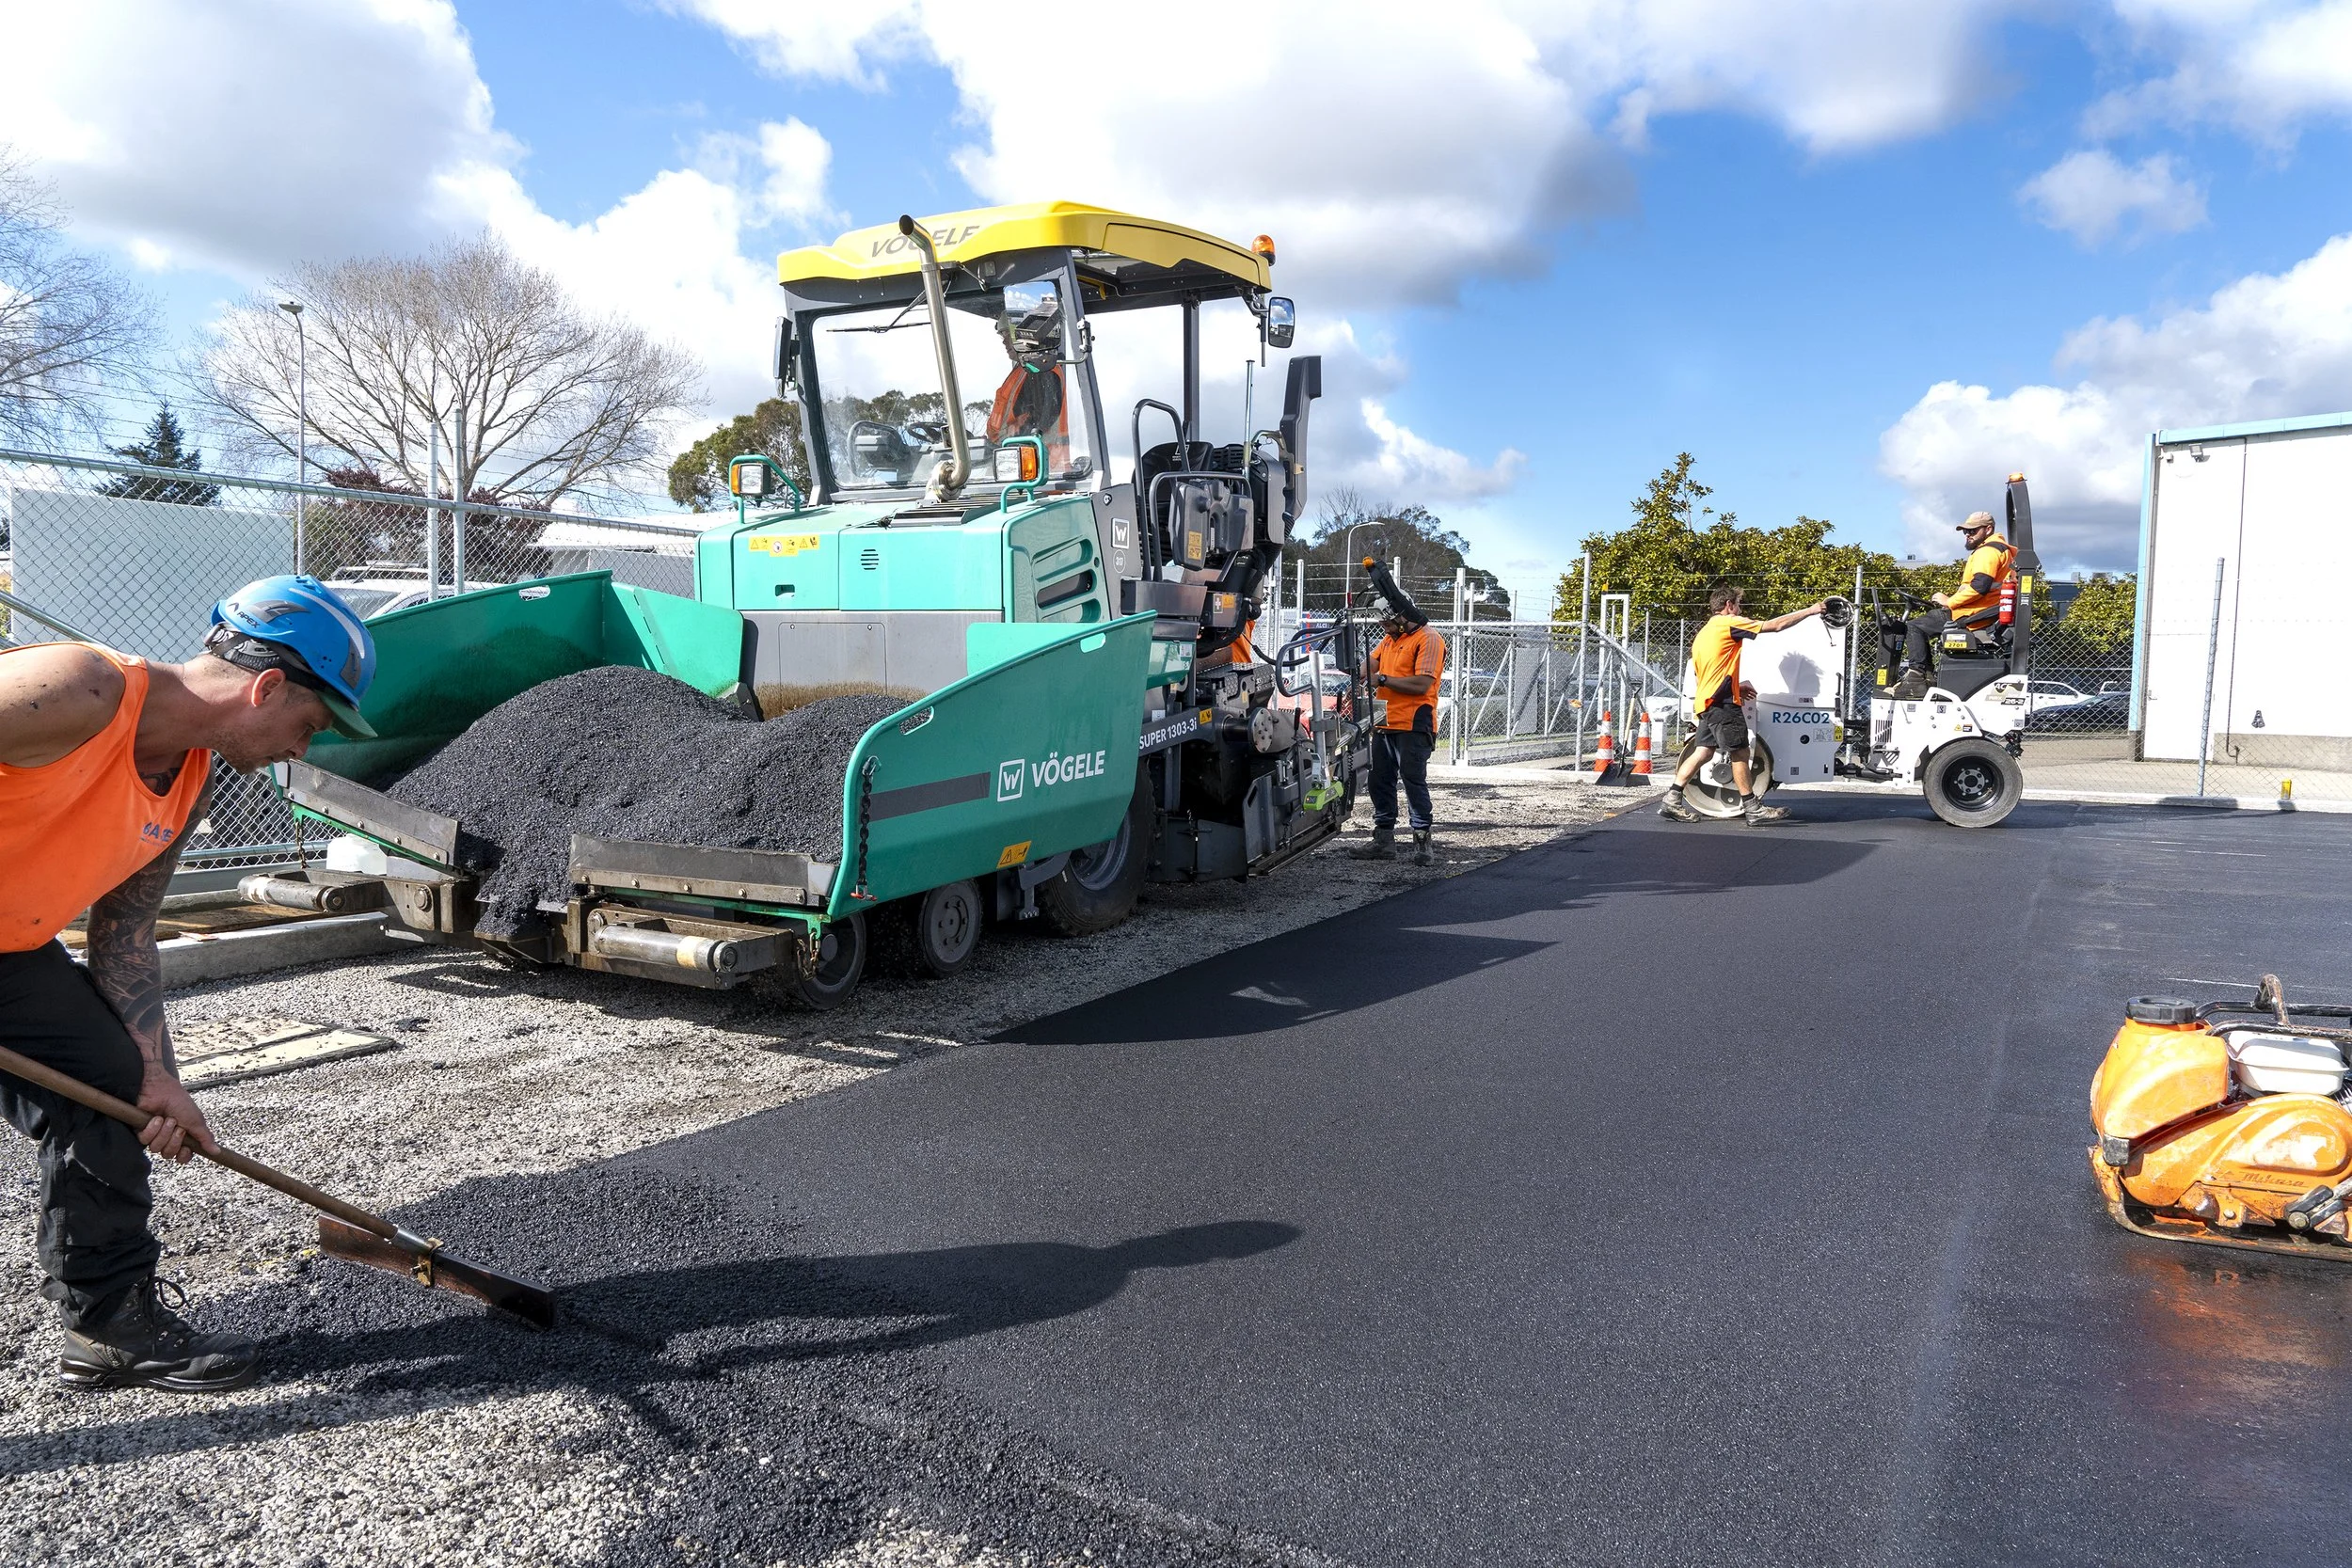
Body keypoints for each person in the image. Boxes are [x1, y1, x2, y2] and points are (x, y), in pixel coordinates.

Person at [0, 575, 376, 1393]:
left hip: (11, 953)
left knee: (108, 1087)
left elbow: (126, 930)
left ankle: (107, 1328)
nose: (302, 749)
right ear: (266, 685)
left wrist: (155, 1077)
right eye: (308, 725)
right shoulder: (81, 689)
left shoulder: (194, 773)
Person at [1659, 585, 1826, 826]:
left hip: (1707, 702)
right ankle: (1752, 808)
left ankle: (1671, 799)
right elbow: (1775, 626)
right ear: (1729, 606)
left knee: (1703, 751)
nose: (1740, 610)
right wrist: (1810, 611)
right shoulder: (1729, 623)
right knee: (1740, 752)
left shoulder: (1704, 633)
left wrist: (1736, 687)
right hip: (1723, 705)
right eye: (1738, 605)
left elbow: (1704, 675)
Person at [1350, 597, 1445, 864]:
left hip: (1414, 723)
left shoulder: (1429, 639)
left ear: (1401, 615)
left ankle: (1422, 841)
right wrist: (1358, 667)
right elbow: (1368, 666)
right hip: (1384, 722)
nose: (1384, 627)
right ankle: (1383, 840)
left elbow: (1423, 684)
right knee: (1379, 781)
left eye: (1387, 621)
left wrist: (1381, 679)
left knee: (1413, 781)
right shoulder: (1390, 640)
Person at [1888, 510, 2014, 700]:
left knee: (1914, 627)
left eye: (1973, 531)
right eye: (1966, 531)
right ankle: (1926, 677)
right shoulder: (2001, 550)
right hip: (1980, 612)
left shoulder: (1987, 551)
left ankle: (1917, 679)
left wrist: (1950, 602)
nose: (1968, 535)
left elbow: (1980, 585)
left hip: (1969, 616)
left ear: (1988, 529)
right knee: (1923, 624)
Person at [984, 291, 1070, 473]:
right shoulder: (1024, 371)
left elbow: (1036, 425)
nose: (1004, 341)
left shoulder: (1042, 371)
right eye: (1003, 335)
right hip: (1014, 463)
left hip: (1037, 470)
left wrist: (997, 447)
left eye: (1008, 334)